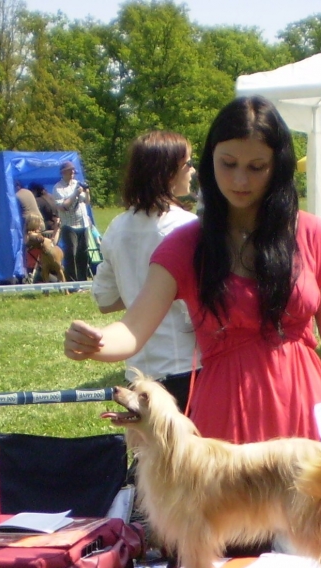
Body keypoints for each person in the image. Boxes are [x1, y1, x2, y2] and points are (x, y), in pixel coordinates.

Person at [65, 96, 321, 500]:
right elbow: (133, 329)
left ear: (277, 167)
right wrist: (97, 343)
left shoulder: (311, 234)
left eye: (256, 167)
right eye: (228, 164)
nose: (240, 179)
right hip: (229, 422)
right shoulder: (185, 245)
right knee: (236, 540)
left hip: (308, 411)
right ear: (210, 162)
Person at [92, 130, 198, 411]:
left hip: (137, 376)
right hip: (187, 369)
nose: (193, 171)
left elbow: (104, 299)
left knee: (145, 442)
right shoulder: (188, 227)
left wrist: (137, 292)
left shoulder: (116, 227)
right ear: (168, 171)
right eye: (188, 164)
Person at [53, 161, 91, 283]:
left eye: (73, 170)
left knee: (83, 253)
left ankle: (83, 281)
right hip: (69, 225)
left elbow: (87, 202)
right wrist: (75, 193)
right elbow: (64, 206)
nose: (73, 172)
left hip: (83, 224)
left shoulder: (77, 184)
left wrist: (87, 192)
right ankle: (72, 282)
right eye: (70, 170)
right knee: (71, 254)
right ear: (63, 172)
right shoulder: (58, 188)